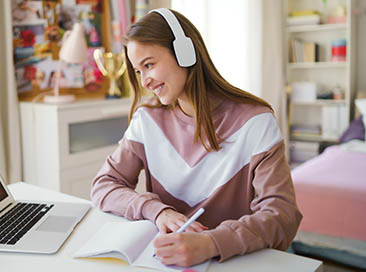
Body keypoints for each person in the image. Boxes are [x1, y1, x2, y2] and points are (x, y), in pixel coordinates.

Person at [90, 8, 302, 267]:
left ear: (185, 53)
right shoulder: (147, 120)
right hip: (166, 261)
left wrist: (212, 243)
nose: (144, 81)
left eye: (149, 65)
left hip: (233, 261)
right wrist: (158, 211)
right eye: (137, 71)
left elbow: (282, 215)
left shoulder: (255, 122)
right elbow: (103, 185)